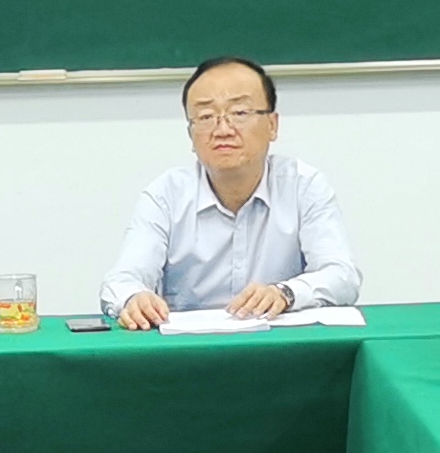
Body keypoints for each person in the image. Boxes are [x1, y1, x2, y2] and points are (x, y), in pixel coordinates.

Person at [103, 56, 358, 329]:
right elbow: (121, 280)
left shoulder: (303, 186)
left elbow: (342, 276)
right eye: (205, 117)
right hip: (190, 348)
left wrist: (286, 293)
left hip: (278, 346)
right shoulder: (165, 196)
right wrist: (134, 298)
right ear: (191, 135)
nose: (223, 130)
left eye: (239, 113)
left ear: (272, 125)